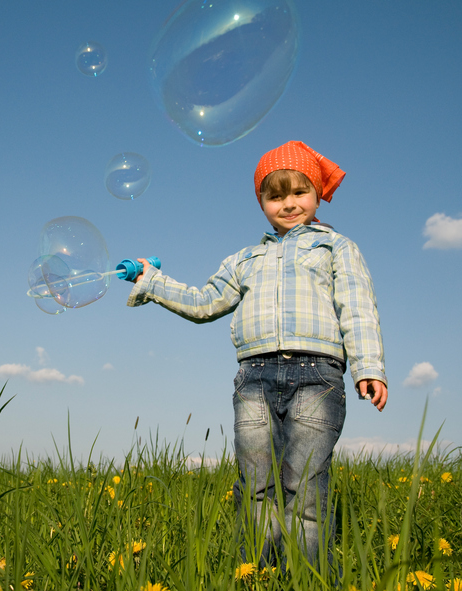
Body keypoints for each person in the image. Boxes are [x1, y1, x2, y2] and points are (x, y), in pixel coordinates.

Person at [126, 140, 388, 569]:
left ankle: (306, 576)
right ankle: (257, 573)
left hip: (318, 374)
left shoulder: (336, 248)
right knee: (255, 484)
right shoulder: (245, 259)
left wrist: (369, 367)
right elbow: (203, 302)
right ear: (261, 201)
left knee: (305, 486)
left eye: (299, 192)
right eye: (275, 195)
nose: (288, 204)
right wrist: (152, 280)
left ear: (318, 192)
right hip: (254, 377)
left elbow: (357, 309)